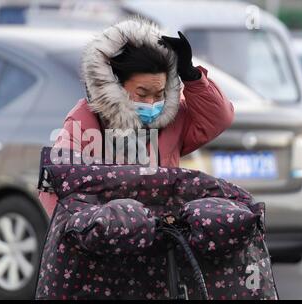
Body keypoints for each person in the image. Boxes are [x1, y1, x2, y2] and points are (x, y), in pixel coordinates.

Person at [39, 17, 234, 217]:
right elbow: (54, 185)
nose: (151, 103)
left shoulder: (173, 119)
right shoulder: (85, 120)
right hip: (108, 238)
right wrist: (88, 229)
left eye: (159, 94)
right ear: (114, 86)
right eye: (142, 94)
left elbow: (219, 118)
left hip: (163, 237)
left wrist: (191, 75)